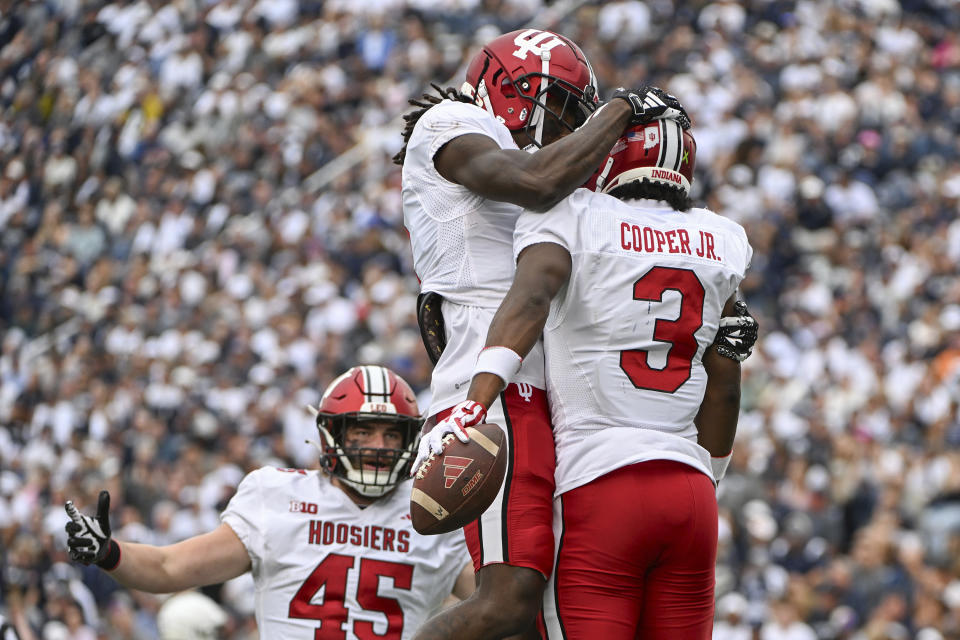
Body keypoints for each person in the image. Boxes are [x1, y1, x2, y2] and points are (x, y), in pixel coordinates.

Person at [395, 27, 690, 640]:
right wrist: (622, 109)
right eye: (555, 108)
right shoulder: (448, 123)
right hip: (495, 392)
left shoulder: (564, 191)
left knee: (546, 613)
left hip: (555, 399)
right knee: (509, 599)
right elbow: (534, 180)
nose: (563, 129)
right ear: (504, 89)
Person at [442, 114, 758, 639]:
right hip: (691, 493)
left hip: (601, 481)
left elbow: (532, 298)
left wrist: (475, 401)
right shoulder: (723, 239)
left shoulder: (574, 213)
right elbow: (724, 379)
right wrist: (707, 479)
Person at [64, 365, 474, 640]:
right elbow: (170, 567)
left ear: (411, 440)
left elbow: (503, 603)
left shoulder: (433, 510)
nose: (378, 447)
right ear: (332, 435)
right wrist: (110, 553)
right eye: (362, 432)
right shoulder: (277, 496)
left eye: (391, 435)